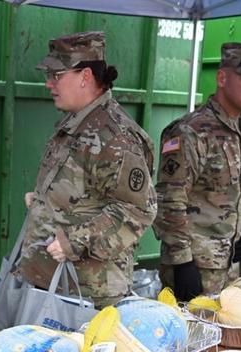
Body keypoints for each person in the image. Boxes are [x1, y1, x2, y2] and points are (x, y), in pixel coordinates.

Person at [18, 31, 156, 308]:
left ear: (85, 77)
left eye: (57, 75)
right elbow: (86, 189)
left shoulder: (115, 136)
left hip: (89, 293)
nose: (48, 83)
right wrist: (45, 200)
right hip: (60, 284)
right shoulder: (78, 122)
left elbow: (137, 209)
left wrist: (74, 241)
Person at [155, 43, 241, 300]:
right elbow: (169, 200)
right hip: (193, 266)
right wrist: (181, 262)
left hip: (229, 264)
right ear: (222, 78)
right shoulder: (189, 132)